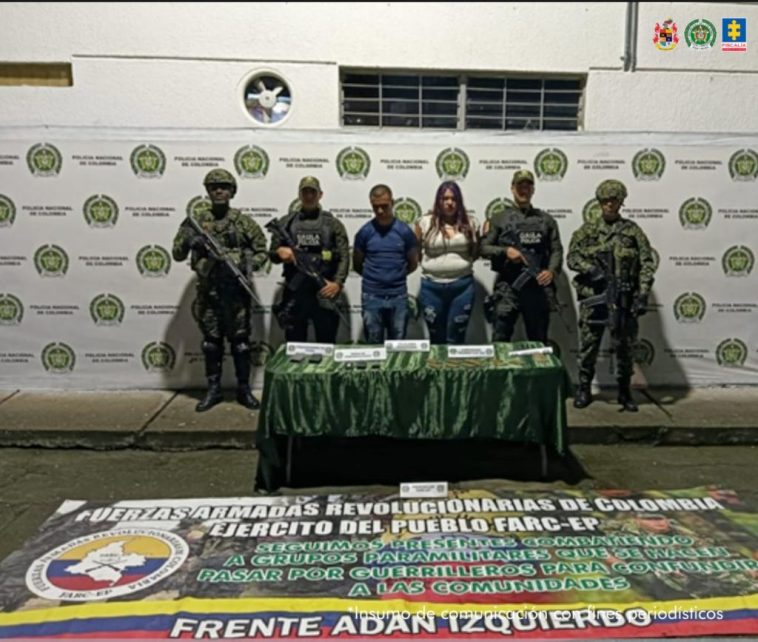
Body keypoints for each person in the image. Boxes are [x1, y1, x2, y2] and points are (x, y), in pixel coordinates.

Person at [172, 169, 268, 412]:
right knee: (211, 344)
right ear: (207, 191)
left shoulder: (243, 222)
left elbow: (261, 252)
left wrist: (241, 262)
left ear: (232, 191)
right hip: (210, 293)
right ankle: (213, 390)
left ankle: (244, 390)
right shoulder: (196, 221)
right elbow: (177, 253)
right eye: (214, 187)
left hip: (236, 295)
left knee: (241, 345)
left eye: (224, 187)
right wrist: (190, 242)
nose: (219, 191)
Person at [567, 179, 656, 412]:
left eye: (614, 200)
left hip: (624, 299)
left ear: (621, 202)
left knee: (625, 348)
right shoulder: (587, 231)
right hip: (595, 298)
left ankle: (624, 391)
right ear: (599, 202)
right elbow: (572, 258)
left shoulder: (632, 231)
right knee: (589, 346)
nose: (609, 205)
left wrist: (644, 292)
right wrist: (591, 269)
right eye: (605, 200)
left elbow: (647, 263)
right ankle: (584, 388)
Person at [481, 169, 563, 344]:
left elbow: (556, 250)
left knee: (538, 343)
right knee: (500, 341)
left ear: (533, 190)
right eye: (520, 186)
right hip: (507, 288)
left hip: (536, 289)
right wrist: (505, 251)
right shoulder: (499, 218)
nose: (523, 190)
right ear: (512, 188)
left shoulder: (546, 220)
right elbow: (483, 248)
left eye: (528, 186)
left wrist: (552, 271)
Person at [268, 176, 349, 343]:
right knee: (295, 346)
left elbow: (344, 256)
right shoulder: (286, 223)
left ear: (320, 194)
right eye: (305, 192)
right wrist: (279, 252)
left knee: (326, 345)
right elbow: (272, 254)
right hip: (296, 294)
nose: (309, 196)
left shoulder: (332, 224)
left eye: (313, 192)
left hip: (323, 290)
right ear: (299, 195)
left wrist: (337, 283)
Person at [415, 181, 479, 345]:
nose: (450, 203)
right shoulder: (424, 222)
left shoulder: (471, 223)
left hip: (462, 287)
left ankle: (456, 370)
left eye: (454, 199)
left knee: (456, 337)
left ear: (459, 201)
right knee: (436, 338)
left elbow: (475, 253)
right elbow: (415, 253)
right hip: (431, 287)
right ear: (439, 201)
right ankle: (437, 370)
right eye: (445, 198)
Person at [353, 184, 418, 343]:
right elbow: (357, 264)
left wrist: (394, 276)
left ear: (392, 202)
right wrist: (377, 278)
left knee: (398, 345)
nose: (380, 211)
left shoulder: (404, 232)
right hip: (372, 296)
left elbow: (413, 263)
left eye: (384, 206)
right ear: (371, 205)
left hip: (398, 295)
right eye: (376, 207)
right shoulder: (364, 233)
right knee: (374, 346)